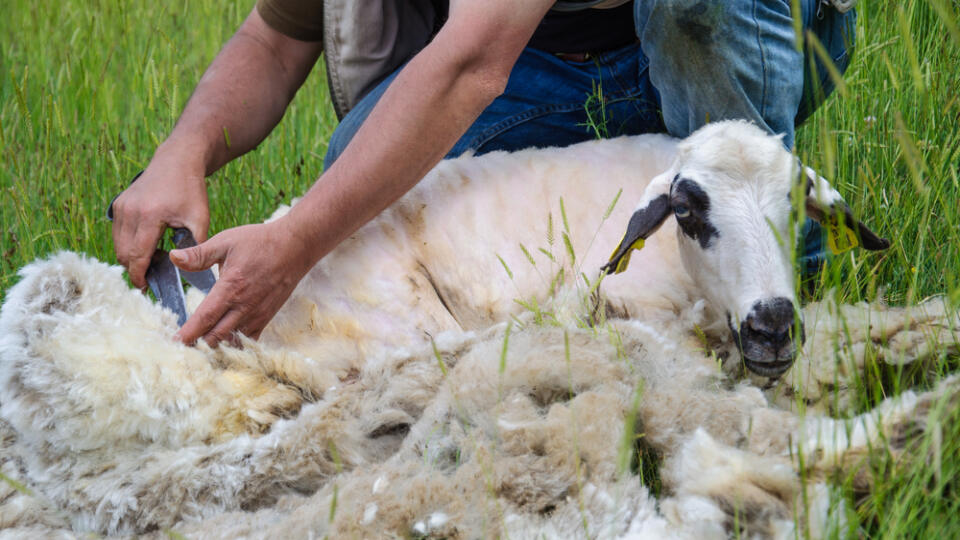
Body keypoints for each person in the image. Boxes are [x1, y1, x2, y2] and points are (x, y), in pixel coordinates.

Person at [110, 0, 856, 347]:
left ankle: (770, 255)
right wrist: (183, 152)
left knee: (693, 8)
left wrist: (294, 243)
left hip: (723, 25)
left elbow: (471, 62)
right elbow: (275, 40)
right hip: (550, 64)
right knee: (360, 188)